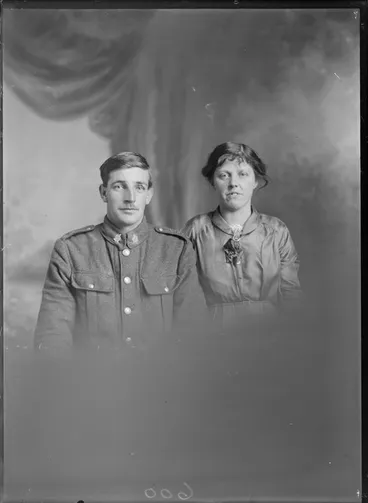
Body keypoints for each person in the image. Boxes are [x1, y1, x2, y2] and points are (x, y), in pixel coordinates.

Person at [34, 152, 207, 352]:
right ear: (103, 192)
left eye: (139, 187)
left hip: (161, 380)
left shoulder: (176, 249)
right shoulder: (71, 250)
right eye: (119, 186)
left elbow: (193, 334)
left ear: (149, 195)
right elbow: (53, 337)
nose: (130, 198)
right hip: (90, 381)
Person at [182, 142, 303, 329]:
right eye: (224, 175)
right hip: (213, 338)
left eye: (243, 174)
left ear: (255, 180)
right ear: (213, 181)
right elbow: (186, 295)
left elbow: (291, 295)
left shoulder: (276, 231)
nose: (233, 184)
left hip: (271, 336)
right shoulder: (196, 230)